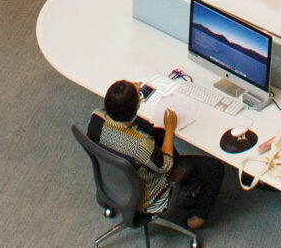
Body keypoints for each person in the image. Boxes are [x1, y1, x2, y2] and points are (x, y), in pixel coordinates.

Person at [90, 78, 225, 228]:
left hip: (111, 185)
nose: (137, 84)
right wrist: (169, 129)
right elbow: (166, 166)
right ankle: (197, 219)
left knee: (155, 133)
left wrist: (130, 92)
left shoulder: (96, 118)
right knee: (216, 168)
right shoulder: (140, 144)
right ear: (135, 107)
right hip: (147, 198)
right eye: (138, 96)